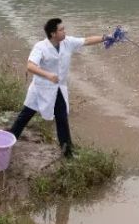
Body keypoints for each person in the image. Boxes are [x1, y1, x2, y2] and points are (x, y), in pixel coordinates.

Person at [9, 18, 107, 158]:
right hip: (41, 88)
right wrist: (48, 75)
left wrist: (105, 37)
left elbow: (86, 40)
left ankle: (67, 151)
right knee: (25, 115)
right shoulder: (40, 47)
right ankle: (10, 139)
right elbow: (30, 66)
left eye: (64, 29)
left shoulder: (67, 42)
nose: (64, 31)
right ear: (53, 33)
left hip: (58, 88)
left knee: (62, 118)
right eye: (61, 29)